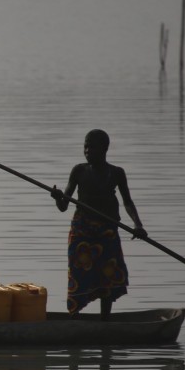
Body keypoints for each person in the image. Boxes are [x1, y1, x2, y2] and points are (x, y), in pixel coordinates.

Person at [50, 129, 147, 318]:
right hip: (82, 232)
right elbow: (63, 206)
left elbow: (127, 201)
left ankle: (105, 321)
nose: (87, 151)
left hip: (107, 232)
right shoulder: (79, 171)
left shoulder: (116, 173)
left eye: (92, 147)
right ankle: (74, 319)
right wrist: (57, 197)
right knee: (79, 274)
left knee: (108, 274)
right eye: (85, 147)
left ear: (104, 149)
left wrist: (138, 225)